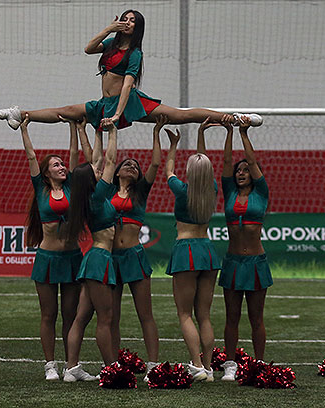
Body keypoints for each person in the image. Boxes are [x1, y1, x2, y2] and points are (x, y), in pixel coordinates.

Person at [0, 10, 262, 131]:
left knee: (182, 116)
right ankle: (18, 114)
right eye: (125, 18)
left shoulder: (135, 54)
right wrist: (108, 28)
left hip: (127, 102)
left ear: (138, 27)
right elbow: (88, 48)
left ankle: (235, 118)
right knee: (67, 112)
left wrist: (118, 115)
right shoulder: (110, 43)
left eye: (133, 20)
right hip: (106, 102)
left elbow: (128, 85)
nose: (128, 22)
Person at [163, 117, 229, 382]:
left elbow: (168, 170)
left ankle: (197, 364)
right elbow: (204, 163)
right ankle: (209, 368)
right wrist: (201, 134)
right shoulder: (212, 189)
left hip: (186, 250)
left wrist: (173, 145)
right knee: (204, 315)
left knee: (184, 313)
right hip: (207, 251)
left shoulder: (181, 190)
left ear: (190, 172)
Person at [19, 113, 82, 381]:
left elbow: (74, 155)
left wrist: (72, 126)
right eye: (56, 165)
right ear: (46, 173)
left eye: (62, 164)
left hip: (72, 258)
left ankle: (71, 367)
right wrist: (24, 129)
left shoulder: (72, 187)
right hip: (47, 259)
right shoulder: (41, 188)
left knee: (70, 315)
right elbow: (32, 157)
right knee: (49, 315)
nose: (61, 167)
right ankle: (50, 366)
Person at [108, 115, 167, 381]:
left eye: (135, 166)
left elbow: (154, 163)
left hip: (134, 256)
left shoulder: (140, 193)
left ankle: (153, 365)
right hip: (111, 258)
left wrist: (156, 133)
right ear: (117, 171)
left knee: (146, 315)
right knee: (112, 316)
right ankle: (114, 363)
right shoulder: (107, 191)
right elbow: (103, 161)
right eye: (127, 164)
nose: (132, 166)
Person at [61, 120, 120, 382]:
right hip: (99, 259)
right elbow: (109, 160)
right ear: (91, 180)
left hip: (96, 258)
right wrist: (113, 132)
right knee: (105, 318)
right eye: (96, 171)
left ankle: (71, 368)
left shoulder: (90, 196)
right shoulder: (96, 197)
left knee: (81, 317)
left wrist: (95, 132)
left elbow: (95, 159)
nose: (99, 170)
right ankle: (111, 369)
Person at [217, 115, 272, 382]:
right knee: (232, 316)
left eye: (245, 170)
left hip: (256, 263)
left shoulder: (261, 193)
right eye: (238, 171)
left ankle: (259, 363)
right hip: (233, 262)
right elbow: (227, 163)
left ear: (254, 174)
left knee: (256, 318)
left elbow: (251, 160)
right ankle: (230, 364)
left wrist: (243, 133)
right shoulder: (229, 192)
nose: (241, 173)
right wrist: (228, 132)